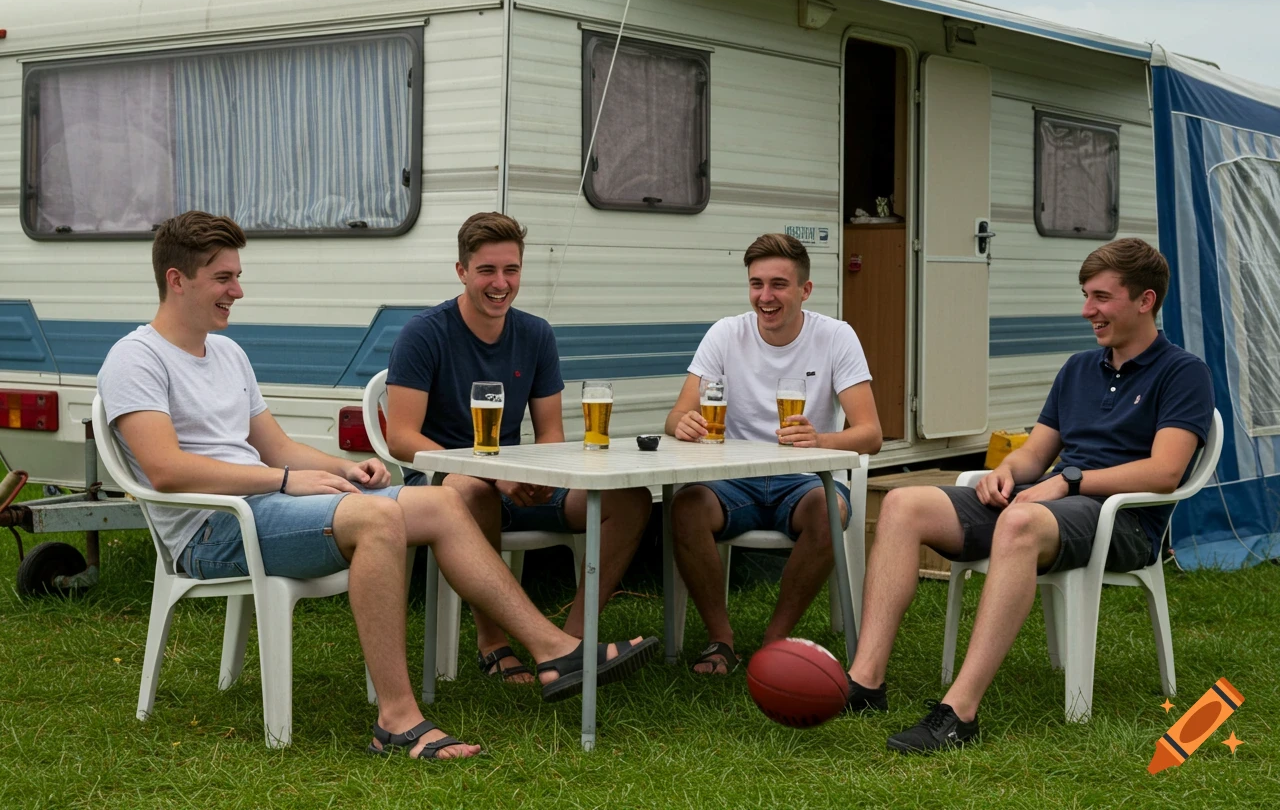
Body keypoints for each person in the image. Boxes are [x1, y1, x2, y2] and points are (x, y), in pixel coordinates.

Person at [98, 211, 657, 760]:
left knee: (439, 501)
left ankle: (555, 651)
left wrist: (343, 468)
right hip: (212, 529)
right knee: (379, 517)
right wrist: (287, 481)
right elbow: (167, 469)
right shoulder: (136, 358)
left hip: (262, 506)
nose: (238, 291)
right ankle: (396, 720)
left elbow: (277, 445)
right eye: (224, 278)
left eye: (237, 276)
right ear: (177, 280)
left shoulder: (226, 353)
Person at [846, 237, 1214, 754]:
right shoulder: (1078, 369)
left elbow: (1164, 472)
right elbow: (1034, 455)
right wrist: (1003, 472)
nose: (1088, 310)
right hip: (1049, 506)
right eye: (1086, 296)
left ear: (1145, 300)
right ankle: (865, 682)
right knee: (905, 505)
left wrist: (1070, 480)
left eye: (1101, 298)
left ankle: (959, 713)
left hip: (1122, 521)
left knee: (1020, 523)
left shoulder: (1183, 372)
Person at [385, 212, 652, 683]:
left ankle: (572, 643)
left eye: (511, 270)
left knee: (630, 499)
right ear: (462, 271)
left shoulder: (535, 333)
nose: (500, 283)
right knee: (472, 490)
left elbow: (550, 433)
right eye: (487, 270)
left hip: (518, 478)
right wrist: (495, 475)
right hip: (448, 483)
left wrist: (535, 474)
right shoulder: (423, 333)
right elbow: (401, 438)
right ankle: (494, 643)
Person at [663, 233, 883, 674]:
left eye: (779, 285)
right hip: (732, 479)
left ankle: (775, 641)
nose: (765, 297)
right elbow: (676, 416)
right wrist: (681, 424)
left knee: (828, 512)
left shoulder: (836, 336)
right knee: (685, 508)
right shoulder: (727, 333)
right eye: (756, 284)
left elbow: (870, 433)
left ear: (805, 290)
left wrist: (820, 439)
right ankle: (720, 640)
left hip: (804, 480)